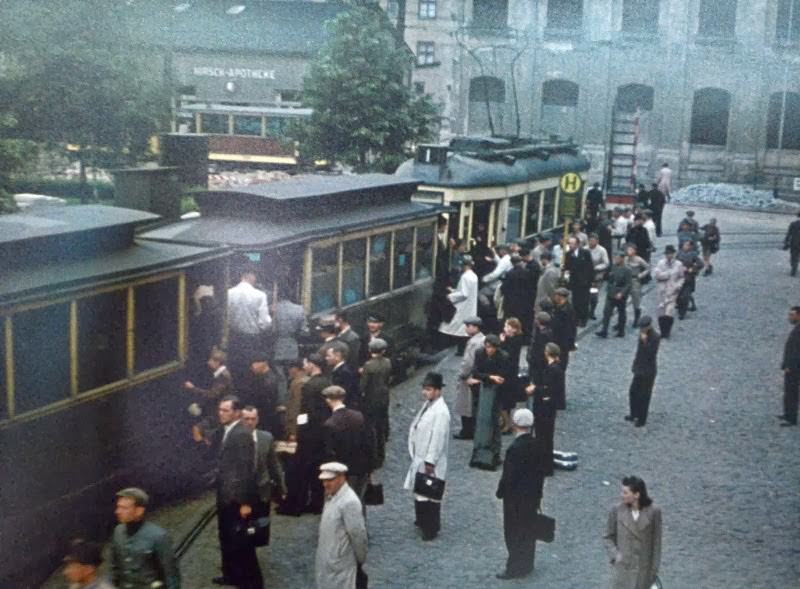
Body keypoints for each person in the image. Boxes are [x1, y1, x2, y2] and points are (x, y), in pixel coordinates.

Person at [211, 396, 260, 588]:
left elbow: (247, 470)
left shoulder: (240, 434)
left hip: (236, 499)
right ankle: (231, 574)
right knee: (226, 536)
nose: (221, 413)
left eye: (225, 410)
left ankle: (250, 582)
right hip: (226, 495)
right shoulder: (228, 431)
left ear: (237, 412)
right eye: (220, 410)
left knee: (241, 542)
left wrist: (245, 502)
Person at [494, 408, 546, 580]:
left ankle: (514, 567)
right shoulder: (537, 445)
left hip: (515, 499)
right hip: (531, 496)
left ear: (515, 424)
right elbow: (541, 473)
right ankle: (527, 563)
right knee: (528, 531)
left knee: (513, 532)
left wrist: (500, 492)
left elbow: (509, 476)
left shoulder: (514, 449)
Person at [279, 354, 330, 516]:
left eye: (306, 363)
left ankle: (296, 505)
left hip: (309, 434)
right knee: (317, 470)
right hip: (322, 432)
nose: (304, 366)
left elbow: (304, 413)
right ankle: (317, 503)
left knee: (298, 470)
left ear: (313, 365)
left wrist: (297, 432)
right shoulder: (327, 381)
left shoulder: (309, 386)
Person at [403, 372, 450, 541]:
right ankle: (422, 520)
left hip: (430, 459)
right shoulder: (429, 405)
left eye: (429, 389)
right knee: (421, 489)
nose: (425, 392)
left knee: (430, 492)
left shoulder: (441, 412)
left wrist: (430, 461)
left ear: (438, 391)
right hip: (420, 455)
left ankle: (430, 528)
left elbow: (437, 438)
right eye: (424, 389)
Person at [111, 488, 180, 589]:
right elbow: (115, 568)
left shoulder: (158, 536)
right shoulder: (118, 532)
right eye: (118, 507)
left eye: (124, 508)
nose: (117, 511)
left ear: (139, 511)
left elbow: (171, 576)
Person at [315, 462, 368, 589]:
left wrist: (360, 559)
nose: (325, 484)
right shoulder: (330, 495)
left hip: (341, 563)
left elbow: (357, 534)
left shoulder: (350, 502)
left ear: (341, 477)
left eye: (330, 480)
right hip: (327, 561)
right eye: (324, 480)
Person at [603, 476, 662, 589]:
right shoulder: (617, 511)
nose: (622, 495)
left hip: (643, 574)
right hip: (623, 572)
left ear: (636, 495)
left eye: (625, 492)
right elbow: (607, 536)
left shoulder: (654, 512)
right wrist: (615, 555)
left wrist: (654, 570)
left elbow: (656, 542)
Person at [321, 385, 373, 503]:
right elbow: (368, 443)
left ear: (328, 400)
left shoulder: (330, 424)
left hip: (343, 471)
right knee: (359, 501)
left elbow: (330, 453)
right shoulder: (358, 416)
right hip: (361, 467)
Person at [468, 334, 512, 471]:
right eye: (488, 347)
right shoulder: (479, 353)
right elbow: (475, 372)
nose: (489, 350)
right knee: (481, 419)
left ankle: (495, 452)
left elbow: (504, 376)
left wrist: (490, 378)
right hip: (483, 389)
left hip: (497, 392)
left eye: (492, 348)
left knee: (494, 421)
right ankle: (480, 449)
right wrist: (490, 377)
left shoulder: (503, 356)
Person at [227, 266, 271, 383]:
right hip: (252, 340)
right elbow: (264, 323)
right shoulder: (260, 295)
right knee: (251, 373)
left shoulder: (229, 293)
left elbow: (226, 317)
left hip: (234, 338)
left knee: (236, 371)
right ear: (250, 276)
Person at [525, 343, 563, 477]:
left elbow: (549, 389)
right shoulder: (555, 368)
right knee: (545, 435)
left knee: (543, 435)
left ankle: (545, 466)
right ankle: (545, 464)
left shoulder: (552, 369)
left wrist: (535, 389)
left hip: (545, 407)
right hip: (548, 407)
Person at [242, 406, 286, 510]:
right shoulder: (233, 439)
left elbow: (274, 464)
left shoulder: (266, 438)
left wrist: (282, 488)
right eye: (247, 419)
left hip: (262, 489)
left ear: (257, 420)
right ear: (241, 420)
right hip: (241, 492)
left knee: (262, 523)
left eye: (253, 419)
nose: (250, 422)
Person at [184, 346, 232, 443]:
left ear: (217, 362)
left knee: (198, 430)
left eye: (210, 360)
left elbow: (212, 394)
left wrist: (193, 388)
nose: (208, 362)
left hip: (218, 412)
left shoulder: (223, 376)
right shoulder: (219, 374)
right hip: (215, 409)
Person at [360, 338, 392, 468]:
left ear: (369, 350)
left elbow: (363, 386)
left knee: (372, 428)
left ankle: (374, 456)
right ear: (383, 351)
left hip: (371, 399)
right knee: (381, 425)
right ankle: (382, 453)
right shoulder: (387, 362)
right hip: (384, 397)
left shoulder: (368, 366)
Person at [453, 317, 486, 440]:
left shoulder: (473, 342)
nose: (466, 328)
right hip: (476, 376)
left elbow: (468, 362)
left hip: (469, 377)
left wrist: (462, 374)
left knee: (466, 406)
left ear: (475, 327)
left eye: (468, 326)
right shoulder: (482, 339)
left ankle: (466, 431)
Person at [626, 316, 661, 427]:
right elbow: (639, 352)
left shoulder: (655, 337)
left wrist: (645, 342)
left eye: (643, 328)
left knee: (644, 396)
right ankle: (633, 413)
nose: (641, 330)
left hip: (648, 371)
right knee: (633, 391)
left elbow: (650, 354)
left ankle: (642, 419)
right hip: (639, 368)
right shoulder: (642, 335)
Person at [438, 255, 479, 349]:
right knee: (463, 329)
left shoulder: (465, 277)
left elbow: (464, 293)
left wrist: (450, 296)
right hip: (469, 306)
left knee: (448, 327)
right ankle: (461, 348)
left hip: (462, 306)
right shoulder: (473, 275)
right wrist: (454, 290)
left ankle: (446, 347)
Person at [596, 251, 633, 338]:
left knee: (621, 312)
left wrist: (622, 293)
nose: (616, 260)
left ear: (622, 259)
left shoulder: (627, 270)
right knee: (606, 312)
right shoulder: (613, 267)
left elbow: (628, 284)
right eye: (615, 258)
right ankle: (604, 330)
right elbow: (610, 278)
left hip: (620, 294)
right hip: (611, 293)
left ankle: (621, 330)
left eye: (617, 258)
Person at [272, 288, 309, 372]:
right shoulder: (299, 309)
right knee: (292, 372)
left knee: (279, 374)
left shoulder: (273, 309)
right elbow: (305, 331)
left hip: (276, 346)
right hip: (292, 347)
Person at [499, 318, 524, 434]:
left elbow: (507, 356)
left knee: (503, 401)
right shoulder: (514, 339)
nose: (505, 328)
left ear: (513, 329)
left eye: (507, 326)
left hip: (508, 375)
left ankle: (508, 424)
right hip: (509, 373)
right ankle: (505, 422)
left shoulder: (514, 341)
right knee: (506, 402)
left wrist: (502, 342)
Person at [501, 254, 536, 338]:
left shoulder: (510, 273)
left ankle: (510, 335)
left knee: (511, 320)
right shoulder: (527, 272)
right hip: (524, 301)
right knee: (523, 320)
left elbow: (504, 288)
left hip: (511, 301)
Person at [653, 245, 684, 338]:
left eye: (671, 254)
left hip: (672, 291)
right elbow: (656, 275)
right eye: (667, 254)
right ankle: (662, 330)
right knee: (661, 312)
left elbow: (681, 277)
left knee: (669, 312)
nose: (669, 256)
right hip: (662, 291)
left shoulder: (679, 264)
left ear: (674, 254)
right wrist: (666, 274)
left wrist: (678, 285)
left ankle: (667, 331)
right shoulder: (660, 263)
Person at [564, 235, 594, 326]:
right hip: (575, 282)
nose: (570, 245)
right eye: (569, 243)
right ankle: (576, 319)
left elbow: (590, 267)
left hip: (585, 282)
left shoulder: (585, 253)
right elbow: (568, 267)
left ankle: (583, 319)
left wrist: (591, 281)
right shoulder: (568, 254)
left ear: (577, 244)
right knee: (575, 301)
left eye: (572, 243)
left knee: (584, 301)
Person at [780, 306, 800, 426]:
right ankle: (788, 413)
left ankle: (791, 417)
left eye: (792, 315)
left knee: (791, 391)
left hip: (794, 367)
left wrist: (790, 366)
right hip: (793, 366)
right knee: (789, 390)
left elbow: (795, 351)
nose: (790, 317)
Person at [526, 312, 554, 397]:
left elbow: (537, 349)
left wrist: (531, 357)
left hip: (538, 362)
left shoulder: (542, 335)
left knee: (536, 379)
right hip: (541, 361)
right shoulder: (548, 331)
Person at [675, 239, 704, 319]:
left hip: (688, 278)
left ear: (691, 246)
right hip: (679, 277)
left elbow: (701, 264)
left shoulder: (693, 254)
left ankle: (682, 313)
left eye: (687, 245)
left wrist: (692, 269)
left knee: (685, 295)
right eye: (684, 244)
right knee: (679, 295)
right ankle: (687, 305)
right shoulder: (679, 253)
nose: (685, 246)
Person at [326, 341, 360, 409]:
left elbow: (345, 393)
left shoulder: (345, 372)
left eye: (329, 356)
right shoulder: (339, 370)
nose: (326, 358)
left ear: (337, 356)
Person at [550, 288, 577, 371]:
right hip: (558, 339)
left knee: (562, 359)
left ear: (561, 297)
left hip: (562, 341)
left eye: (556, 295)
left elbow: (569, 328)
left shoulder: (566, 310)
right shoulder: (558, 307)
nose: (554, 297)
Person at [624, 243, 650, 328]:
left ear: (635, 251)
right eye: (628, 249)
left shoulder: (639, 260)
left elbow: (648, 268)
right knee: (623, 301)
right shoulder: (625, 259)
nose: (629, 251)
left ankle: (636, 319)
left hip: (635, 281)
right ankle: (622, 320)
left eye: (631, 249)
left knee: (636, 301)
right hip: (626, 281)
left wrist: (641, 275)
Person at [588, 233, 609, 320]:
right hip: (586, 276)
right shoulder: (585, 249)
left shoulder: (602, 250)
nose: (591, 242)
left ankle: (592, 311)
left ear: (597, 241)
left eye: (593, 241)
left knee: (593, 295)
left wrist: (597, 267)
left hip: (596, 277)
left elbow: (606, 263)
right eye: (590, 241)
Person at [784, 212, 800, 276]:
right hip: (795, 243)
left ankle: (794, 269)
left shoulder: (793, 224)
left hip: (794, 243)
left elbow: (788, 234)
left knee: (794, 257)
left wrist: (786, 242)